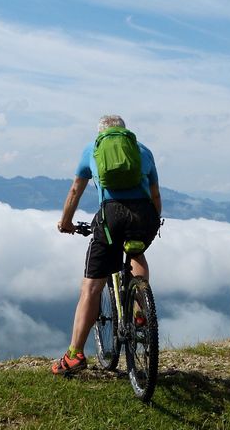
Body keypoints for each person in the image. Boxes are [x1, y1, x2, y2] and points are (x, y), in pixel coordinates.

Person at [54, 114, 161, 375]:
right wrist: (152, 223)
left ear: (100, 133)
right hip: (144, 215)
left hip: (111, 216)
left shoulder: (91, 149)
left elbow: (74, 191)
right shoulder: (143, 151)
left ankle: (74, 355)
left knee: (91, 287)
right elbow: (155, 194)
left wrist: (66, 222)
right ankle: (140, 311)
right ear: (125, 132)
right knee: (137, 254)